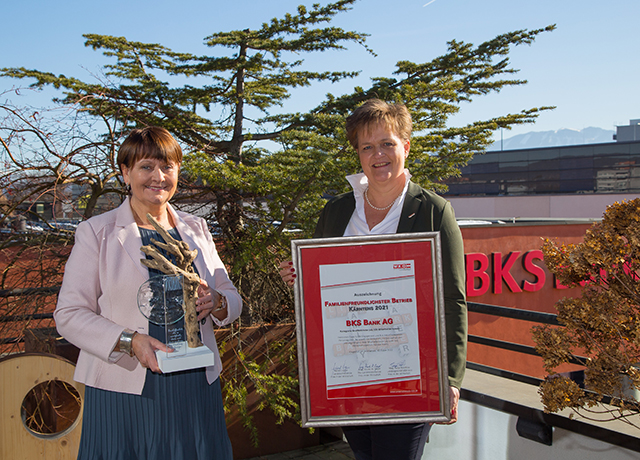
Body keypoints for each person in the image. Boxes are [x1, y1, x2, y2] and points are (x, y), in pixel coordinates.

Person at [279, 99, 467, 460]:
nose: (378, 154)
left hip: (410, 373)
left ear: (406, 146)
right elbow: (321, 289)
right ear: (358, 155)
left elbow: (452, 298)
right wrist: (300, 277)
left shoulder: (433, 211)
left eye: (387, 143)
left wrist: (452, 378)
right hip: (348, 372)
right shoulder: (336, 212)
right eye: (367, 147)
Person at [54, 126, 242, 460]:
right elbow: (68, 315)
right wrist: (130, 341)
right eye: (145, 167)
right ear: (125, 172)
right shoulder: (96, 233)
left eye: (167, 166)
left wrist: (218, 301)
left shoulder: (196, 229)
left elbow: (230, 296)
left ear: (178, 172)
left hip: (194, 385)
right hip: (124, 385)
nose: (158, 176)